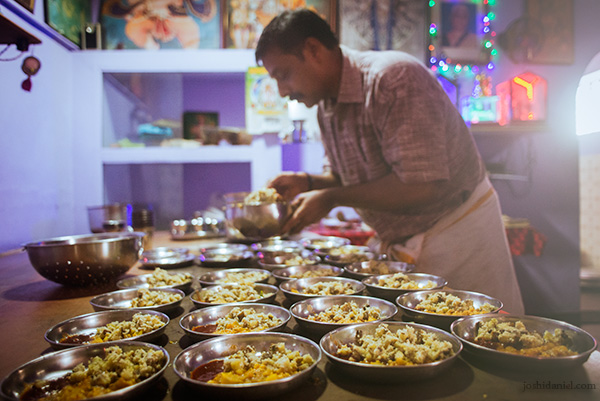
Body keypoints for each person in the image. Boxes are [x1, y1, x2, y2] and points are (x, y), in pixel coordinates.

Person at [255, 9, 524, 314]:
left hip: (456, 237)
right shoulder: (324, 107)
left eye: (283, 74)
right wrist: (308, 182)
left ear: (313, 50)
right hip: (407, 243)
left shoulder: (394, 78)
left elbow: (422, 186)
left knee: (487, 340)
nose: (282, 91)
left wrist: (330, 198)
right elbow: (351, 177)